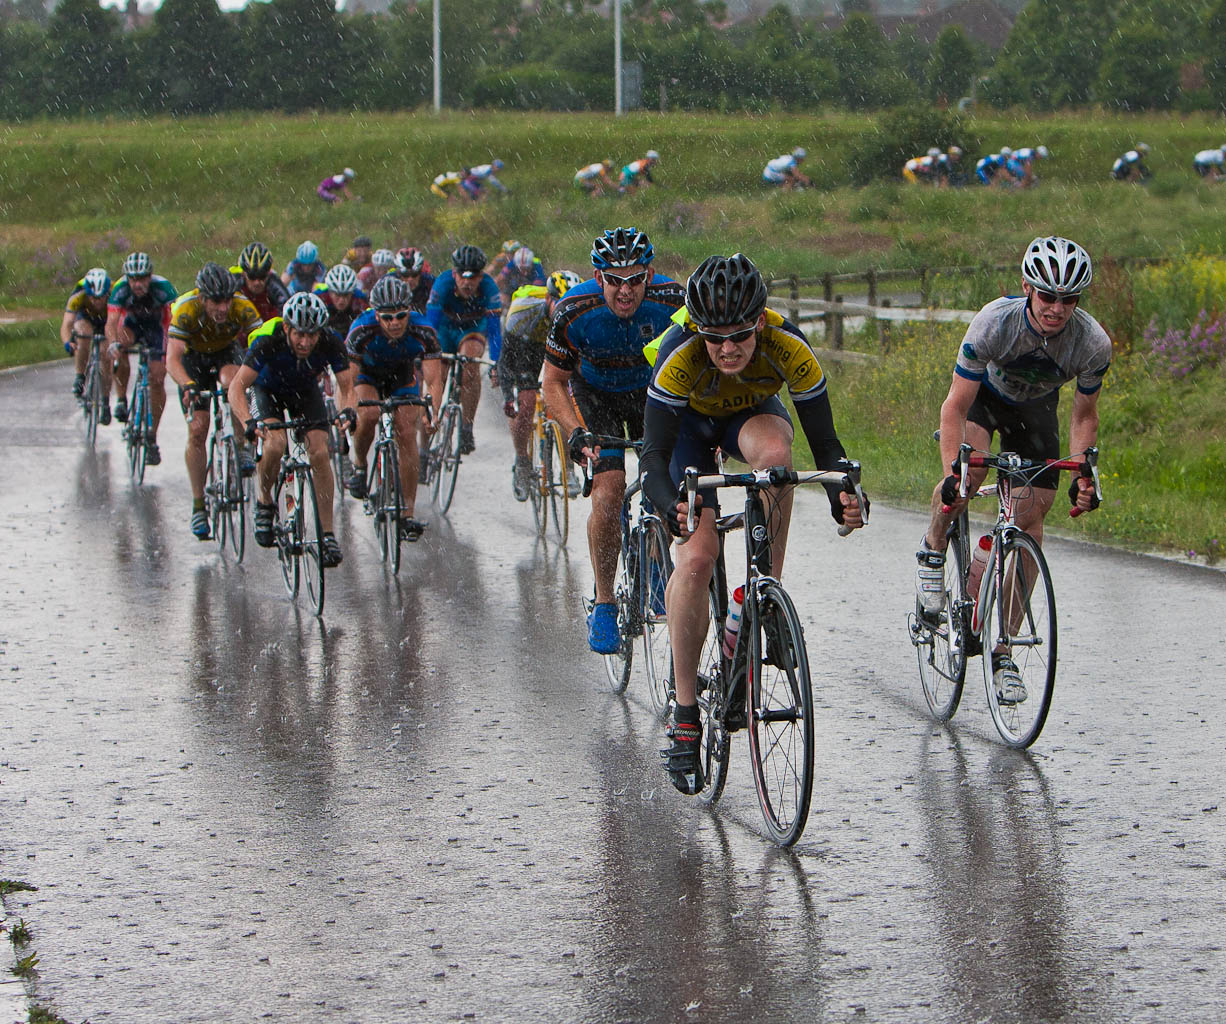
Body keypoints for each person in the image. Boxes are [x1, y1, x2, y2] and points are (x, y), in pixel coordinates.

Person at [639, 253, 866, 794]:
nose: (727, 348)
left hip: (749, 414)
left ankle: (761, 593)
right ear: (697, 329)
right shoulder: (679, 356)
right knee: (696, 560)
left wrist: (842, 495)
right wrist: (674, 504)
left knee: (777, 460)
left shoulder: (790, 347)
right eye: (714, 337)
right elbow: (652, 459)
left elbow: (828, 449)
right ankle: (688, 714)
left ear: (760, 321)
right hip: (687, 430)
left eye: (740, 334)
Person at [914, 236, 1109, 705]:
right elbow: (954, 406)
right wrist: (952, 475)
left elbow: (1084, 417)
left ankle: (1004, 650)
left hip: (1035, 411)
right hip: (983, 404)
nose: (1057, 308)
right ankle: (934, 549)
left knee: (1032, 519)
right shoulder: (994, 324)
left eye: (1069, 299)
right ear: (1027, 288)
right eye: (1047, 296)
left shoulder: (1092, 343)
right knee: (967, 482)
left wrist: (1085, 474)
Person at [542, 227, 685, 654]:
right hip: (596, 397)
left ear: (650, 274)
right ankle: (605, 601)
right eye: (614, 280)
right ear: (598, 277)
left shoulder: (674, 303)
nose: (625, 291)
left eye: (636, 279)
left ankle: (656, 561)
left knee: (669, 485)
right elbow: (552, 383)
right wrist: (574, 431)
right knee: (608, 494)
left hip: (652, 394)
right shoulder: (573, 310)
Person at [228, 292, 353, 568]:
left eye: (312, 335)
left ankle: (328, 534)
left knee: (320, 452)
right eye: (299, 335)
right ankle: (264, 501)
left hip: (305, 392)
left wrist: (347, 411)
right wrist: (248, 420)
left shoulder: (331, 341)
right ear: (286, 328)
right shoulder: (268, 340)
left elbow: (347, 387)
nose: (306, 342)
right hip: (267, 390)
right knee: (275, 444)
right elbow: (236, 386)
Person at [341, 275, 443, 541]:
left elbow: (434, 381)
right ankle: (360, 464)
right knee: (369, 414)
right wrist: (349, 410)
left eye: (400, 315)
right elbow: (347, 384)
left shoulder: (424, 330)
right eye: (387, 317)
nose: (395, 323)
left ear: (410, 310)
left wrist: (432, 411)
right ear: (376, 314)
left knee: (407, 432)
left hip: (402, 375)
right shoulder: (361, 329)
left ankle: (407, 514)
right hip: (368, 375)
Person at [166, 262, 263, 539]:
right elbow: (172, 359)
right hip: (193, 360)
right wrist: (187, 385)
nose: (223, 308)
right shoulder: (186, 309)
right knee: (197, 429)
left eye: (226, 300)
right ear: (202, 298)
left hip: (225, 353)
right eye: (216, 302)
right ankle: (199, 506)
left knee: (231, 381)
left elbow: (261, 346)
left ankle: (241, 443)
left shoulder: (242, 307)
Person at [498, 269, 583, 501]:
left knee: (563, 406)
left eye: (569, 304)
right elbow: (505, 361)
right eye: (559, 303)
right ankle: (523, 462)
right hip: (527, 351)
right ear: (548, 299)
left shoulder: (578, 314)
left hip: (559, 352)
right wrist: (508, 395)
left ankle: (569, 469)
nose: (564, 310)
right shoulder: (522, 312)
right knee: (525, 405)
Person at [425, 245, 503, 455]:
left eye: (473, 277)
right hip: (444, 330)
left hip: (471, 330)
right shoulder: (442, 284)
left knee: (470, 362)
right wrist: (425, 355)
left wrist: (496, 363)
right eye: (462, 276)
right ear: (454, 274)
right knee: (437, 375)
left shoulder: (490, 289)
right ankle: (427, 432)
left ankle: (467, 428)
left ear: (481, 276)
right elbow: (430, 325)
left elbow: (495, 332)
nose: (467, 282)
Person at [105, 252, 178, 465]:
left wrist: (169, 352)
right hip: (132, 326)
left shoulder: (164, 288)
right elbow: (111, 322)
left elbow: (173, 321)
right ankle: (121, 398)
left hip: (158, 329)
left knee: (157, 378)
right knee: (119, 345)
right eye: (133, 279)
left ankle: (152, 435)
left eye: (142, 278)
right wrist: (112, 345)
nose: (137, 284)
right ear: (127, 278)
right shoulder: (120, 289)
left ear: (150, 276)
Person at [62, 268, 113, 414]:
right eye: (92, 298)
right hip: (86, 317)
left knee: (105, 354)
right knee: (82, 334)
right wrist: (67, 342)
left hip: (107, 319)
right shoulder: (78, 296)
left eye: (100, 297)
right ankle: (80, 377)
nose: (96, 301)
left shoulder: (114, 293)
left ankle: (105, 400)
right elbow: (67, 324)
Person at [232, 242, 289, 321]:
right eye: (252, 277)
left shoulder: (275, 285)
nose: (257, 282)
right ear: (243, 274)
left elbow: (288, 314)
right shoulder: (234, 284)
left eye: (262, 277)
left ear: (269, 274)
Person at [316, 263, 367, 338]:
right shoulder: (319, 298)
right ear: (329, 292)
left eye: (346, 295)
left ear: (352, 293)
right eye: (337, 295)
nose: (341, 300)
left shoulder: (360, 300)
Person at [496, 245, 546, 310]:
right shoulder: (513, 262)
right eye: (522, 269)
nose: (525, 273)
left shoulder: (537, 266)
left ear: (531, 264)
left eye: (527, 269)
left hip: (532, 287)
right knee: (502, 298)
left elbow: (537, 289)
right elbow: (500, 278)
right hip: (516, 284)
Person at [392, 247, 435, 313]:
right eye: (405, 275)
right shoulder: (390, 285)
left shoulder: (430, 283)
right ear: (398, 274)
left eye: (415, 274)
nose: (410, 279)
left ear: (420, 273)